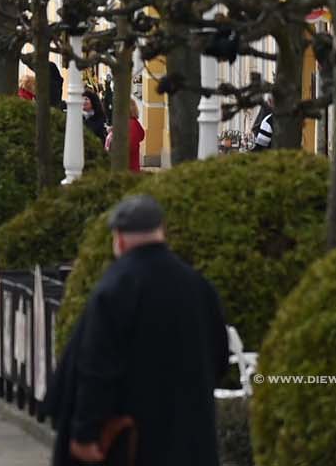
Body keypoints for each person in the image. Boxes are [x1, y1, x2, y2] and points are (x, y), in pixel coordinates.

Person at [48, 193, 229, 466]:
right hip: (189, 441)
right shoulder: (198, 287)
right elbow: (218, 358)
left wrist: (84, 433)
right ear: (161, 232)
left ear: (119, 238)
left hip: (130, 443)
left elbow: (96, 367)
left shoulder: (116, 288)